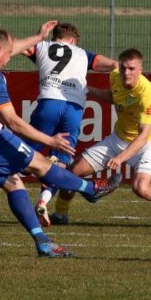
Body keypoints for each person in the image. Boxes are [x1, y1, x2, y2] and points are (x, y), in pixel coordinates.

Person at [0, 22, 121, 258]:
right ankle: (90, 189)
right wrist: (51, 140)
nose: (9, 58)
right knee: (40, 164)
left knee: (13, 183)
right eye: (8, 54)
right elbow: (14, 123)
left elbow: (11, 45)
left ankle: (42, 241)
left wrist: (39, 37)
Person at [48, 48, 151, 228]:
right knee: (72, 171)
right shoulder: (115, 75)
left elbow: (143, 136)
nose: (126, 73)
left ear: (140, 69)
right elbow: (114, 96)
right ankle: (61, 214)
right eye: (123, 68)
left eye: (131, 69)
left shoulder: (148, 94)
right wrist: (89, 90)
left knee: (141, 188)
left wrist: (120, 158)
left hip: (146, 144)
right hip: (117, 139)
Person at [25, 22, 117, 227]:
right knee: (60, 164)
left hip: (48, 103)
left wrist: (38, 36)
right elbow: (113, 65)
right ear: (74, 40)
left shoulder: (42, 46)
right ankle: (43, 201)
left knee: (25, 157)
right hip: (73, 109)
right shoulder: (84, 54)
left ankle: (27, 185)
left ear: (54, 37)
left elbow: (19, 47)